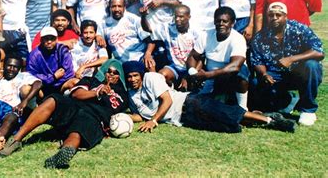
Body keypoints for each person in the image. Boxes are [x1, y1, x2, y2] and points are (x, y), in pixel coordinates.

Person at [0, 59, 129, 169]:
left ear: (120, 75)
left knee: (78, 131)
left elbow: (126, 116)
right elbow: (76, 94)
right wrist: (97, 92)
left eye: (115, 73)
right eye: (109, 71)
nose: (111, 75)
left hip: (95, 117)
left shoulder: (123, 96)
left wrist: (148, 120)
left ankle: (64, 154)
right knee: (53, 99)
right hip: (75, 106)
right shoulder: (91, 81)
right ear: (104, 72)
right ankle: (16, 140)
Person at [123, 61, 296, 134]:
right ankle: (259, 118)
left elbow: (167, 100)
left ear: (140, 74)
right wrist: (126, 118)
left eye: (135, 75)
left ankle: (271, 121)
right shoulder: (131, 95)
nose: (132, 79)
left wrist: (154, 121)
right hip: (183, 118)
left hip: (189, 102)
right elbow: (142, 115)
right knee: (231, 128)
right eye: (129, 77)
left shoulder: (151, 78)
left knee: (227, 113)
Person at [251, 2, 324, 126]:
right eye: (271, 15)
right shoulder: (260, 36)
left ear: (285, 16)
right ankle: (289, 99)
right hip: (275, 76)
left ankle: (308, 110)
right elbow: (257, 60)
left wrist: (291, 59)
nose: (274, 18)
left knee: (312, 65)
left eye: (278, 15)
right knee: (255, 83)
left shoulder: (299, 29)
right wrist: (263, 74)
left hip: (298, 72)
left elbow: (319, 52)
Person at [186, 7, 249, 110]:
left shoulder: (238, 38)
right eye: (218, 20)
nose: (221, 24)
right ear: (214, 21)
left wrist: (207, 75)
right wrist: (193, 73)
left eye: (225, 21)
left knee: (241, 73)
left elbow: (235, 66)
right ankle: (221, 98)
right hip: (210, 77)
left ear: (232, 23)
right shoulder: (205, 35)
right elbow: (193, 56)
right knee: (197, 104)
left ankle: (242, 107)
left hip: (228, 76)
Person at [143, 5, 200, 89]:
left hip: (192, 68)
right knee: (161, 76)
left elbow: (201, 58)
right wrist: (143, 16)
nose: (177, 19)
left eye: (181, 17)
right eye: (176, 16)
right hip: (175, 67)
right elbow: (148, 29)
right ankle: (170, 92)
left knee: (192, 88)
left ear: (189, 17)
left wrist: (189, 75)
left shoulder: (196, 32)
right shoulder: (167, 28)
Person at [102, 0, 152, 65]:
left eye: (119, 6)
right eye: (113, 6)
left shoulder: (134, 19)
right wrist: (99, 36)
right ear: (109, 7)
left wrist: (148, 54)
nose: (116, 9)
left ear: (124, 7)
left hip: (139, 59)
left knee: (150, 64)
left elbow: (151, 41)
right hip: (120, 64)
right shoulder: (104, 23)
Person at [26, 27, 74, 98]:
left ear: (57, 39)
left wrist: (55, 80)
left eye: (52, 39)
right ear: (41, 40)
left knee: (75, 82)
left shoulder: (62, 50)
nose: (49, 42)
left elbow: (69, 73)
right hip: (43, 87)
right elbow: (32, 75)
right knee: (27, 89)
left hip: (61, 85)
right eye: (46, 39)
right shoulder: (34, 55)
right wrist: (53, 77)